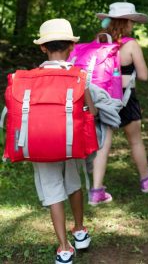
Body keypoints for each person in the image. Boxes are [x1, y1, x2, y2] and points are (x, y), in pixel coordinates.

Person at [32, 18, 97, 264]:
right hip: (70, 142)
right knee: (73, 183)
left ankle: (63, 248)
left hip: (40, 143)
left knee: (53, 191)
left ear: (42, 47)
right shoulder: (79, 75)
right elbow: (91, 111)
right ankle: (79, 230)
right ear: (71, 46)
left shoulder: (32, 77)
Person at [88, 2, 148, 205]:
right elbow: (144, 75)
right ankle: (146, 179)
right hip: (126, 98)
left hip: (103, 99)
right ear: (128, 22)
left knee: (103, 145)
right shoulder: (131, 45)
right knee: (136, 141)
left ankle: (96, 190)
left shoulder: (99, 40)